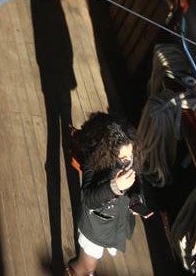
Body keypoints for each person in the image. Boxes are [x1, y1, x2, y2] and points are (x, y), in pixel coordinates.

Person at [66, 113, 142, 275]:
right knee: (87, 267)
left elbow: (136, 185)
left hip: (114, 224)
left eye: (131, 154)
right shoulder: (93, 164)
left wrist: (136, 199)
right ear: (107, 151)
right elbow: (89, 199)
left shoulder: (130, 161)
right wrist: (115, 186)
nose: (128, 161)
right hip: (95, 228)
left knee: (91, 264)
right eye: (122, 158)